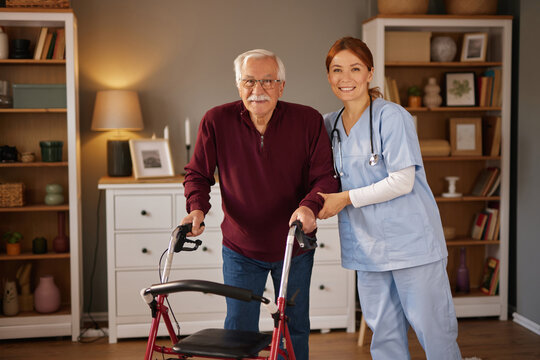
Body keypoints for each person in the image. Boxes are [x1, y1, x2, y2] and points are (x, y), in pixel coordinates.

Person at [181, 48, 339, 360]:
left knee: (293, 328)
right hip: (241, 248)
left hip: (294, 245)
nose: (258, 90)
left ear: (282, 86)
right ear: (238, 85)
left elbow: (326, 178)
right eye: (249, 81)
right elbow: (198, 174)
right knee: (238, 330)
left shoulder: (307, 120)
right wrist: (196, 208)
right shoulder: (216, 120)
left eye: (268, 81)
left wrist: (309, 206)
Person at [317, 37, 462, 360]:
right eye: (337, 70)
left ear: (369, 72)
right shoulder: (330, 125)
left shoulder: (391, 116)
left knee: (433, 329)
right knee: (383, 333)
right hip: (368, 246)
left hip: (412, 242)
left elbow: (402, 181)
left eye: (355, 68)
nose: (345, 78)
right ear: (328, 77)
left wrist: (344, 199)